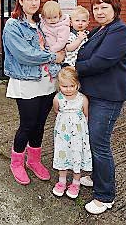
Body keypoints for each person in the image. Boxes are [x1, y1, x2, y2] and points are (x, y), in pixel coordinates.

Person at [75, 0, 126, 215]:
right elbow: (84, 54)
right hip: (94, 93)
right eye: (96, 8)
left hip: (108, 97)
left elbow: (101, 61)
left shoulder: (119, 31)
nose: (99, 11)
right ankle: (97, 177)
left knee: (99, 144)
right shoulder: (100, 30)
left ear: (114, 8)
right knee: (93, 140)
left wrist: (73, 69)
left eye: (104, 7)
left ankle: (105, 195)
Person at [2, 0, 65, 185]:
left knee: (39, 125)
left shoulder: (41, 24)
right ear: (20, 1)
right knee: (27, 125)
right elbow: (25, 55)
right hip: (26, 82)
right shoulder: (13, 25)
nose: (33, 3)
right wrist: (54, 57)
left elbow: (60, 34)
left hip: (47, 81)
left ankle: (34, 161)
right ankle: (16, 163)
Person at [51, 66, 92, 199]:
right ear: (59, 85)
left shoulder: (82, 99)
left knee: (76, 156)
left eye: (71, 86)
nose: (68, 89)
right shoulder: (58, 99)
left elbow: (86, 115)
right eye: (64, 86)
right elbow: (57, 111)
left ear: (77, 84)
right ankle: (61, 182)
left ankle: (76, 183)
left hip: (78, 136)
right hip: (63, 135)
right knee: (62, 154)